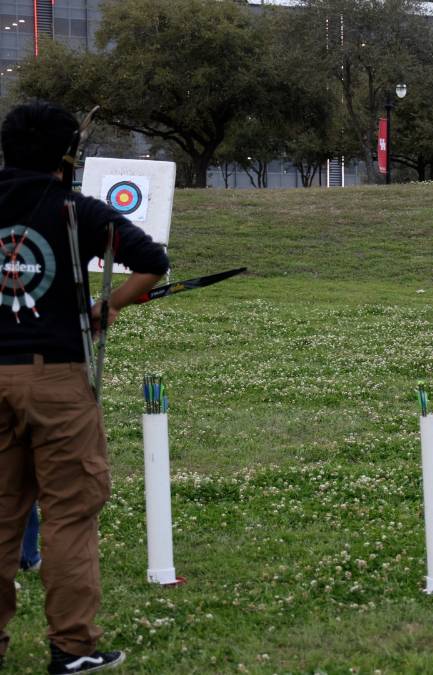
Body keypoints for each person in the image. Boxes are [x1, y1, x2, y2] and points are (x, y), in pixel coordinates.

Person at [0, 101, 169, 673]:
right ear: (66, 155)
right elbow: (151, 261)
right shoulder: (78, 211)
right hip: (57, 379)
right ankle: (72, 648)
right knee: (70, 515)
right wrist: (108, 307)